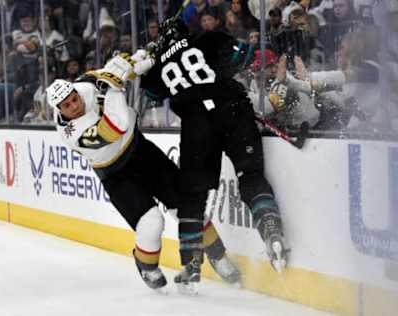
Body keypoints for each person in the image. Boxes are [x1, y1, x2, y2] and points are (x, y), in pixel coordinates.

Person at [45, 54, 240, 292]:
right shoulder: (73, 133)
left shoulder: (84, 85)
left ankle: (218, 256)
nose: (75, 106)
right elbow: (117, 126)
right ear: (59, 109)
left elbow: (115, 70)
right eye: (67, 106)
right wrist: (116, 87)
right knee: (151, 222)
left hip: (141, 151)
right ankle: (146, 265)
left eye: (74, 99)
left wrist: (137, 62)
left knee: (187, 205)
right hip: (115, 174)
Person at [139, 17, 290, 285]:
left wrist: (154, 56)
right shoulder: (207, 38)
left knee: (192, 197)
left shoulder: (159, 65)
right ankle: (270, 229)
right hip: (232, 109)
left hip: (197, 127)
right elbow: (251, 58)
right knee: (250, 175)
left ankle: (191, 264)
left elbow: (150, 90)